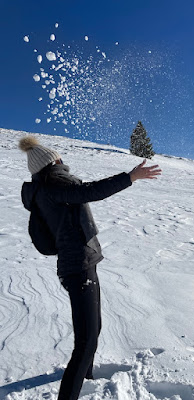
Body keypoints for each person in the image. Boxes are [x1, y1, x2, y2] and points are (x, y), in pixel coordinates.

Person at [19, 136, 161, 400]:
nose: (63, 160)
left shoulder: (46, 188)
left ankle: (87, 379)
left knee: (92, 331)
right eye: (58, 158)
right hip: (78, 266)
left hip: (77, 263)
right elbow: (88, 192)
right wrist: (130, 177)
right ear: (52, 162)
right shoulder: (55, 183)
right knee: (86, 342)